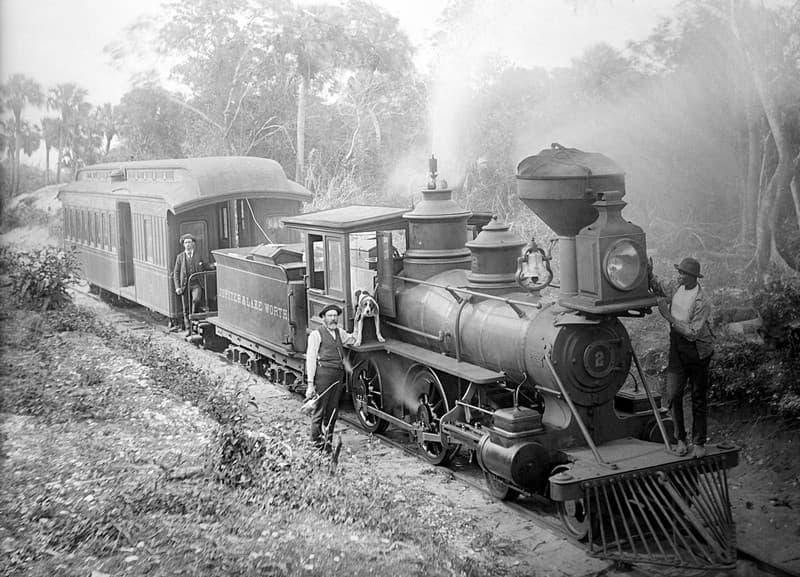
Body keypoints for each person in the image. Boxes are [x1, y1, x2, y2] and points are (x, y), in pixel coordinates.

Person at [649, 257, 715, 459]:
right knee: (674, 394)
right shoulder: (676, 286)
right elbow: (659, 286)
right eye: (679, 272)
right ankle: (680, 439)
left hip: (697, 350)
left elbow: (693, 332)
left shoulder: (702, 300)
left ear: (694, 277)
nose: (680, 276)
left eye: (684, 274)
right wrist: (649, 273)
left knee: (698, 397)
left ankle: (699, 442)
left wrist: (667, 316)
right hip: (677, 346)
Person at [305, 304, 357, 451]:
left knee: (333, 411)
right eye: (330, 316)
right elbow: (311, 359)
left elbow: (354, 339)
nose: (333, 318)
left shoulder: (340, 332)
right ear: (323, 318)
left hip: (338, 375)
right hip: (324, 375)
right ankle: (315, 444)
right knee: (320, 411)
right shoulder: (316, 335)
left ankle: (327, 443)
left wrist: (359, 320)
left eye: (335, 316)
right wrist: (310, 383)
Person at [173, 233, 206, 333]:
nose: (188, 244)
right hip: (185, 285)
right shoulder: (180, 257)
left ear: (193, 244)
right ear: (183, 244)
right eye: (186, 242)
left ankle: (194, 320)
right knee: (186, 308)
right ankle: (188, 329)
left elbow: (205, 265)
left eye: (189, 242)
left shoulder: (198, 255)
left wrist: (215, 265)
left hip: (196, 284)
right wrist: (177, 287)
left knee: (196, 300)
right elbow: (176, 273)